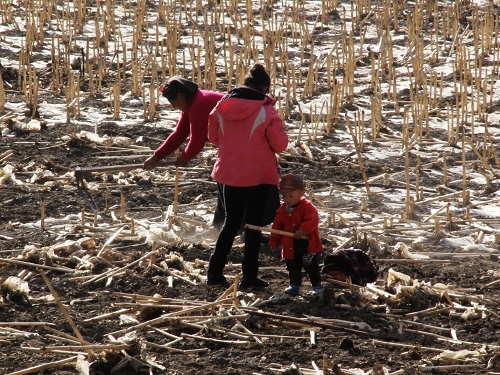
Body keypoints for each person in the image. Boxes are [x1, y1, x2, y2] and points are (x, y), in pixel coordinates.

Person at [206, 63, 289, 289]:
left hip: (228, 174)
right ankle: (249, 277)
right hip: (258, 176)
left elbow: (213, 138)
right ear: (265, 88)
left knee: (230, 224)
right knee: (253, 226)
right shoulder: (266, 110)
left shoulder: (220, 107)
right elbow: (280, 145)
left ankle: (214, 273)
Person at [143, 76, 224, 170]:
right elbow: (179, 134)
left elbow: (197, 141)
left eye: (173, 103)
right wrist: (156, 157)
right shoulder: (191, 104)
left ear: (180, 96)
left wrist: (184, 158)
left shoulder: (198, 106)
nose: (174, 107)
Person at [268, 174, 324, 296]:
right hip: (290, 245)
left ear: (301, 194)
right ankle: (294, 285)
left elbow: (312, 220)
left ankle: (317, 285)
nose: (287, 199)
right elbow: (277, 227)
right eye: (284, 196)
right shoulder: (282, 211)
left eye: (291, 196)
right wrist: (274, 241)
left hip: (308, 244)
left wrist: (302, 230)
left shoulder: (307, 207)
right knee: (293, 266)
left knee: (310, 265)